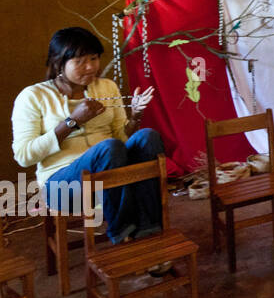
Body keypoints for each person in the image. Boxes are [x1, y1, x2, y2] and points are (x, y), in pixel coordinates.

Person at [12, 27, 163, 251]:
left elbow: (122, 138)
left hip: (112, 173)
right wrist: (72, 121)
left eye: (94, 58)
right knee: (108, 148)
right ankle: (122, 236)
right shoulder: (33, 97)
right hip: (63, 185)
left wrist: (136, 116)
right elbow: (24, 156)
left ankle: (149, 231)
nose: (91, 66)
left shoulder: (106, 87)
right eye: (81, 61)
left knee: (147, 137)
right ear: (58, 63)